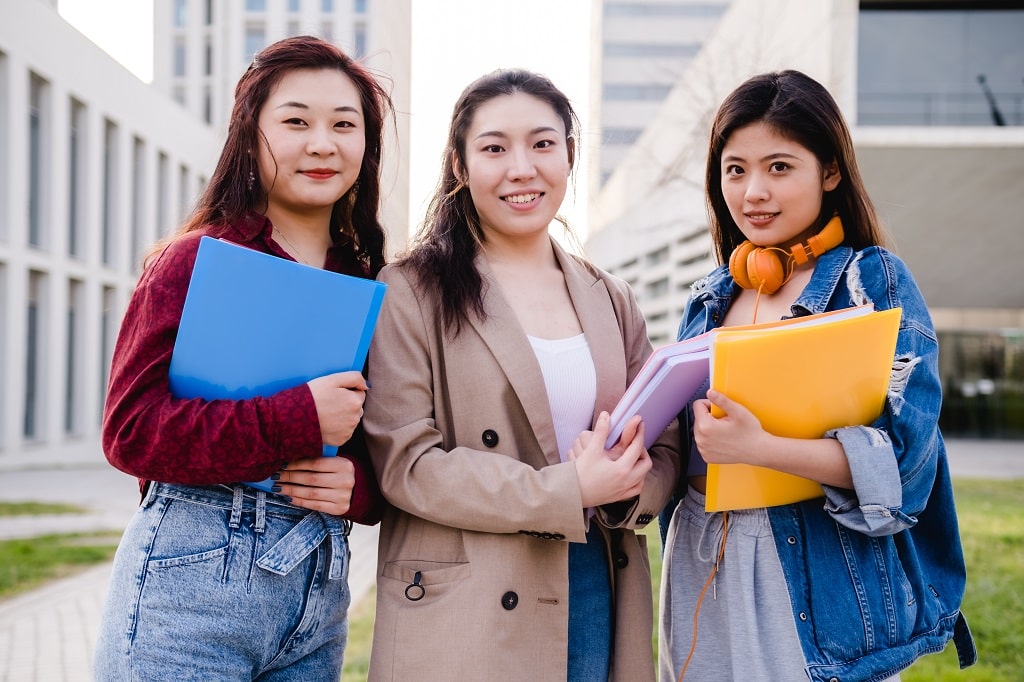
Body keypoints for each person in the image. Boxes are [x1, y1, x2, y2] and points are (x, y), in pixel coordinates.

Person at [361, 68, 680, 682]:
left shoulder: (612, 298)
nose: (521, 168)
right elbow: (406, 464)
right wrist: (570, 489)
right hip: (469, 599)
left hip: (595, 585)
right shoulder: (410, 291)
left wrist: (628, 484)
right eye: (494, 148)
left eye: (542, 143)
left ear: (569, 155)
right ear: (460, 163)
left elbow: (662, 444)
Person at [658, 69, 977, 681]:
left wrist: (761, 449)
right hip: (701, 560)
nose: (754, 191)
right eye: (735, 169)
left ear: (830, 172)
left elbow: (906, 464)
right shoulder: (708, 300)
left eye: (779, 167)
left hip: (817, 571)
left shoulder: (871, 283)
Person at [94, 36, 393, 681]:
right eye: (295, 121)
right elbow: (129, 432)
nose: (323, 143)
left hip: (317, 589)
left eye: (345, 124)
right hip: (191, 585)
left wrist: (359, 489)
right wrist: (298, 420)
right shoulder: (194, 261)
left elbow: (379, 441)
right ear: (250, 137)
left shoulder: (370, 283)